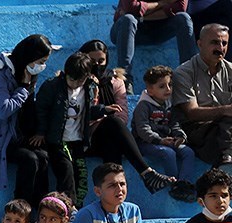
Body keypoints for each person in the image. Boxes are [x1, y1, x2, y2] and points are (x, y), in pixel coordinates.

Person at [78, 39, 196, 203]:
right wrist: (102, 116)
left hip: (107, 138)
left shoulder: (115, 82)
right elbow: (77, 114)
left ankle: (114, 200)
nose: (97, 65)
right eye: (92, 61)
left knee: (113, 137)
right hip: (83, 139)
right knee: (111, 123)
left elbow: (123, 115)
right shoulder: (77, 81)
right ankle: (146, 173)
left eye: (101, 61)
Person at [0, 34, 55, 208]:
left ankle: (42, 210)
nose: (42, 66)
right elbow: (3, 110)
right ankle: (19, 209)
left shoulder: (24, 72)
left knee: (43, 157)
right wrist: (23, 88)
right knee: (29, 159)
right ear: (29, 57)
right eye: (40, 61)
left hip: (19, 136)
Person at [33, 52, 116, 207]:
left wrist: (104, 109)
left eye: (80, 80)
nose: (75, 83)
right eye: (72, 79)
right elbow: (41, 110)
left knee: (82, 175)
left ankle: (78, 206)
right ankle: (66, 208)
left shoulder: (88, 89)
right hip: (58, 141)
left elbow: (88, 111)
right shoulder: (52, 86)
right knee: (66, 172)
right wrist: (41, 132)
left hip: (77, 141)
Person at [132, 65, 197, 200]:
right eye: (162, 86)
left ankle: (184, 183)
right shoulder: (143, 106)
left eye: (170, 85)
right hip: (146, 142)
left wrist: (180, 136)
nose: (168, 89)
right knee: (168, 153)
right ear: (150, 90)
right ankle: (174, 184)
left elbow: (175, 124)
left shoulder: (169, 104)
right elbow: (143, 129)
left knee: (188, 152)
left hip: (166, 140)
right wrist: (160, 140)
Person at [172, 23, 232, 169]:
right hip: (197, 133)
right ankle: (226, 159)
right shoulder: (184, 72)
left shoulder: (230, 70)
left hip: (224, 130)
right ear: (200, 44)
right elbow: (192, 113)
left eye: (224, 43)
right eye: (215, 42)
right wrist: (225, 110)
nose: (220, 48)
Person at [109, 0, 196, 94]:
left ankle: (188, 78)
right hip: (127, 29)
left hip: (160, 29)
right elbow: (132, 8)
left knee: (184, 18)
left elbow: (179, 7)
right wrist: (161, 4)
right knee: (129, 19)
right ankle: (125, 81)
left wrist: (141, 14)